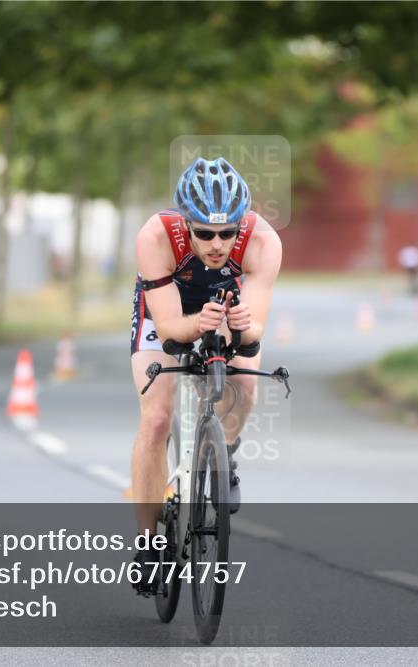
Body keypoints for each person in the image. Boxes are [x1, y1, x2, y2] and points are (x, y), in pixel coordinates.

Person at [129, 156, 282, 588]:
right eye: (205, 233)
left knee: (245, 385)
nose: (217, 244)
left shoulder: (263, 243)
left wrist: (238, 327)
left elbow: (253, 334)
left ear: (241, 226)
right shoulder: (156, 236)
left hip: (228, 302)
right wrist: (197, 324)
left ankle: (225, 453)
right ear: (186, 224)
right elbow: (170, 330)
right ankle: (149, 542)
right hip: (169, 308)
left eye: (227, 233)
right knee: (156, 418)